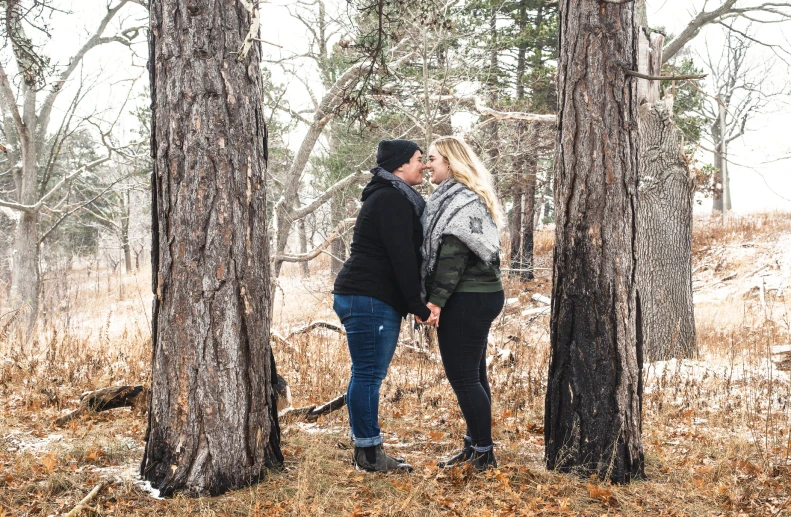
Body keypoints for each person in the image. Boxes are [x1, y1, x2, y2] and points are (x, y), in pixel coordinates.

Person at [333, 139, 437, 473]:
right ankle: (370, 454)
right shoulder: (392, 199)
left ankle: (367, 449)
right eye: (419, 159)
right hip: (369, 297)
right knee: (368, 374)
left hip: (365, 295)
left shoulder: (389, 196)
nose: (423, 165)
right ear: (400, 165)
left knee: (364, 373)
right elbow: (402, 258)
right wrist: (418, 306)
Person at [421, 135, 505, 471]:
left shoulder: (460, 202)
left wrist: (435, 302)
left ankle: (483, 454)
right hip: (477, 295)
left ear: (451, 163)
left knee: (464, 378)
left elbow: (453, 257)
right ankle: (474, 447)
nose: (427, 166)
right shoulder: (457, 198)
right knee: (474, 374)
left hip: (467, 297)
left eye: (433, 159)